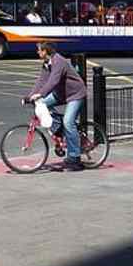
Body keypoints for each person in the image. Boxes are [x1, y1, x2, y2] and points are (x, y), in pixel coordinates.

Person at [27, 42, 89, 171]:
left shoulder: (58, 62)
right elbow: (41, 81)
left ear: (45, 51)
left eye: (39, 50)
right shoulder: (46, 64)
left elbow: (53, 81)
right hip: (61, 94)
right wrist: (30, 96)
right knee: (42, 104)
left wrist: (41, 94)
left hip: (75, 94)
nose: (37, 53)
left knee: (68, 122)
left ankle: (75, 159)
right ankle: (59, 128)